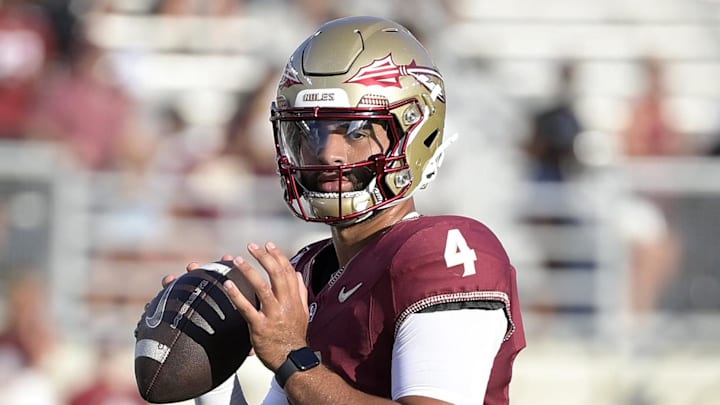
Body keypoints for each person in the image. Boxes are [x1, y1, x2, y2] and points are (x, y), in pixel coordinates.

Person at [164, 16, 525, 405]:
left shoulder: (445, 251)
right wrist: (213, 372)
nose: (328, 153)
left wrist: (291, 359)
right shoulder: (308, 271)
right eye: (310, 132)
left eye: (356, 130)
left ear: (416, 133)